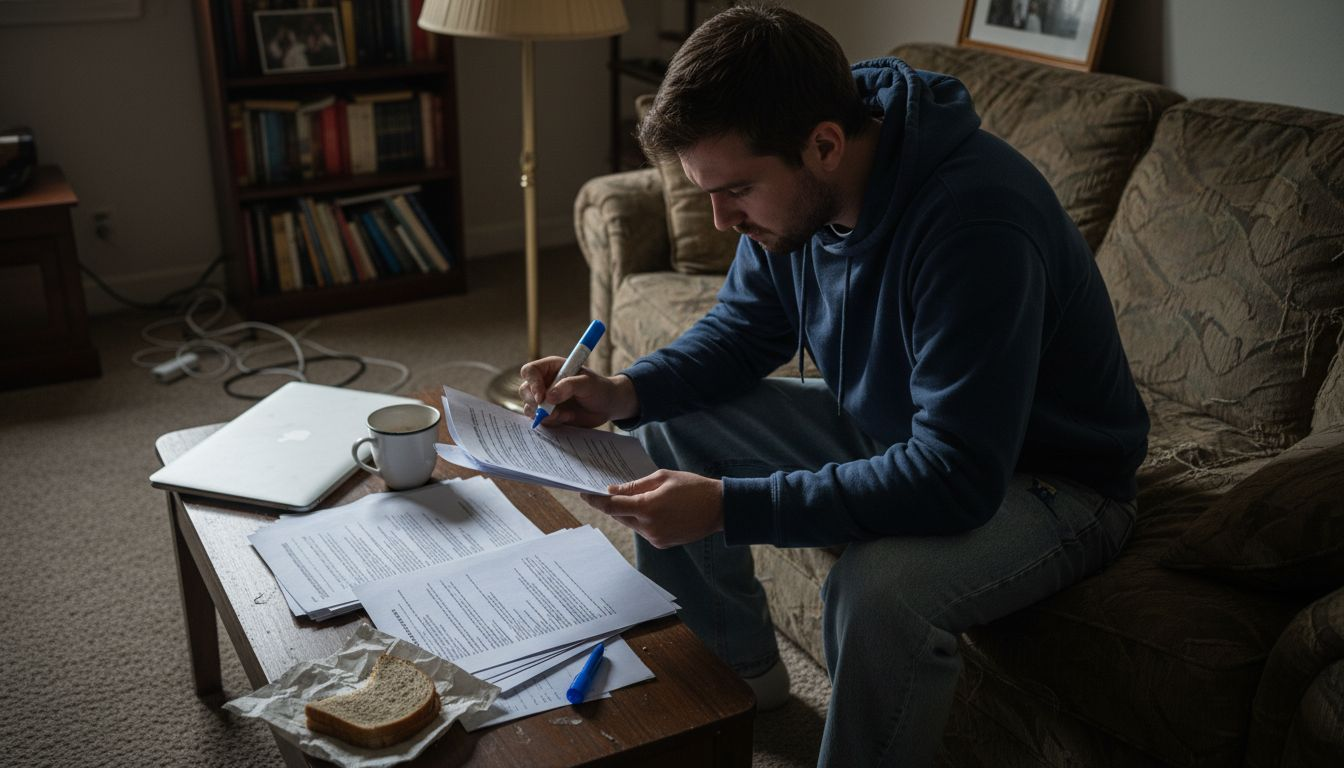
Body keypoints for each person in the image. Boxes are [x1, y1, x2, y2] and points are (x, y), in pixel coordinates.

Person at [520, 5, 1148, 766]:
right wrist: (623, 391)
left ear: (824, 145)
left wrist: (729, 505)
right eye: (707, 194)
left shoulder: (975, 223)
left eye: (737, 191)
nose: (721, 221)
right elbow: (745, 331)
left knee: (877, 592)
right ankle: (738, 679)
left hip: (1052, 479)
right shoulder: (798, 201)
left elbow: (958, 475)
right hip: (898, 426)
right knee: (665, 429)